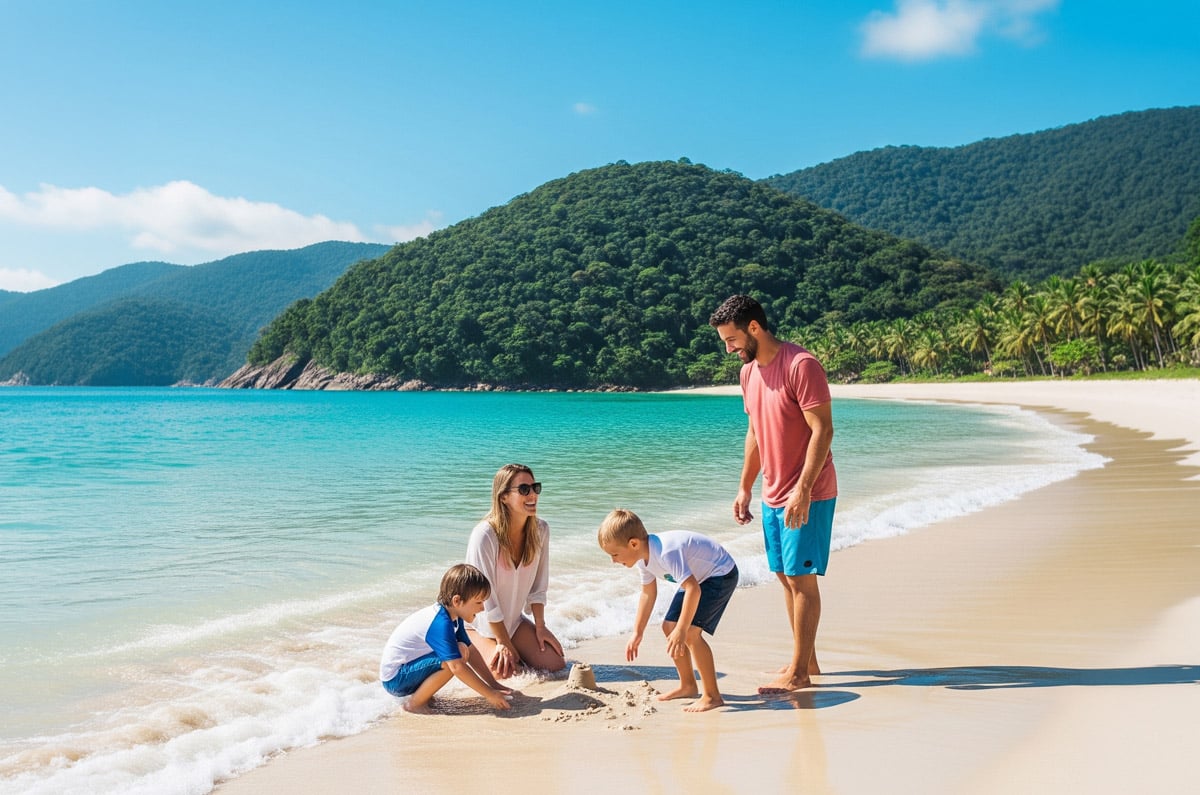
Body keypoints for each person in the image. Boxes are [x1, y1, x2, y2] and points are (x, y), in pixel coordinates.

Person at [709, 294, 837, 694]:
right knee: (784, 576)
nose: (729, 349)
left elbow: (823, 430)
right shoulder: (748, 374)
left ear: (753, 328)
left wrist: (802, 490)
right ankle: (807, 659)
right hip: (773, 493)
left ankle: (800, 672)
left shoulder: (802, 365)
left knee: (801, 580)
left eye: (731, 340)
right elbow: (756, 433)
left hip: (808, 493)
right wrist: (745, 486)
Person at [598, 508, 739, 713]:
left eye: (615, 554)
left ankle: (712, 696)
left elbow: (693, 589)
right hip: (698, 579)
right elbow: (648, 593)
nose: (613, 561)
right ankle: (688, 685)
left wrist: (682, 630)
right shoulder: (643, 560)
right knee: (669, 626)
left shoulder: (666, 552)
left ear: (634, 544)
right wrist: (638, 631)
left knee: (690, 632)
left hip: (721, 573)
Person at [465, 463, 566, 678]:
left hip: (513, 623)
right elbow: (486, 598)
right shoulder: (484, 536)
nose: (532, 495)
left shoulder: (541, 530)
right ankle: (469, 648)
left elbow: (539, 586)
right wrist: (502, 642)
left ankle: (514, 650)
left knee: (555, 664)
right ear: (503, 497)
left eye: (535, 488)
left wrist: (540, 627)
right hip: (476, 626)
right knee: (506, 673)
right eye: (523, 490)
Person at [379, 563, 513, 712]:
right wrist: (489, 695)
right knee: (452, 660)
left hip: (406, 672)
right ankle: (414, 705)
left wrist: (493, 685)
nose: (482, 608)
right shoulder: (440, 623)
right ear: (457, 601)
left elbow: (471, 651)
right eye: (478, 602)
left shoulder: (454, 616)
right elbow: (456, 667)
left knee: (462, 649)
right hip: (395, 679)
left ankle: (424, 695)